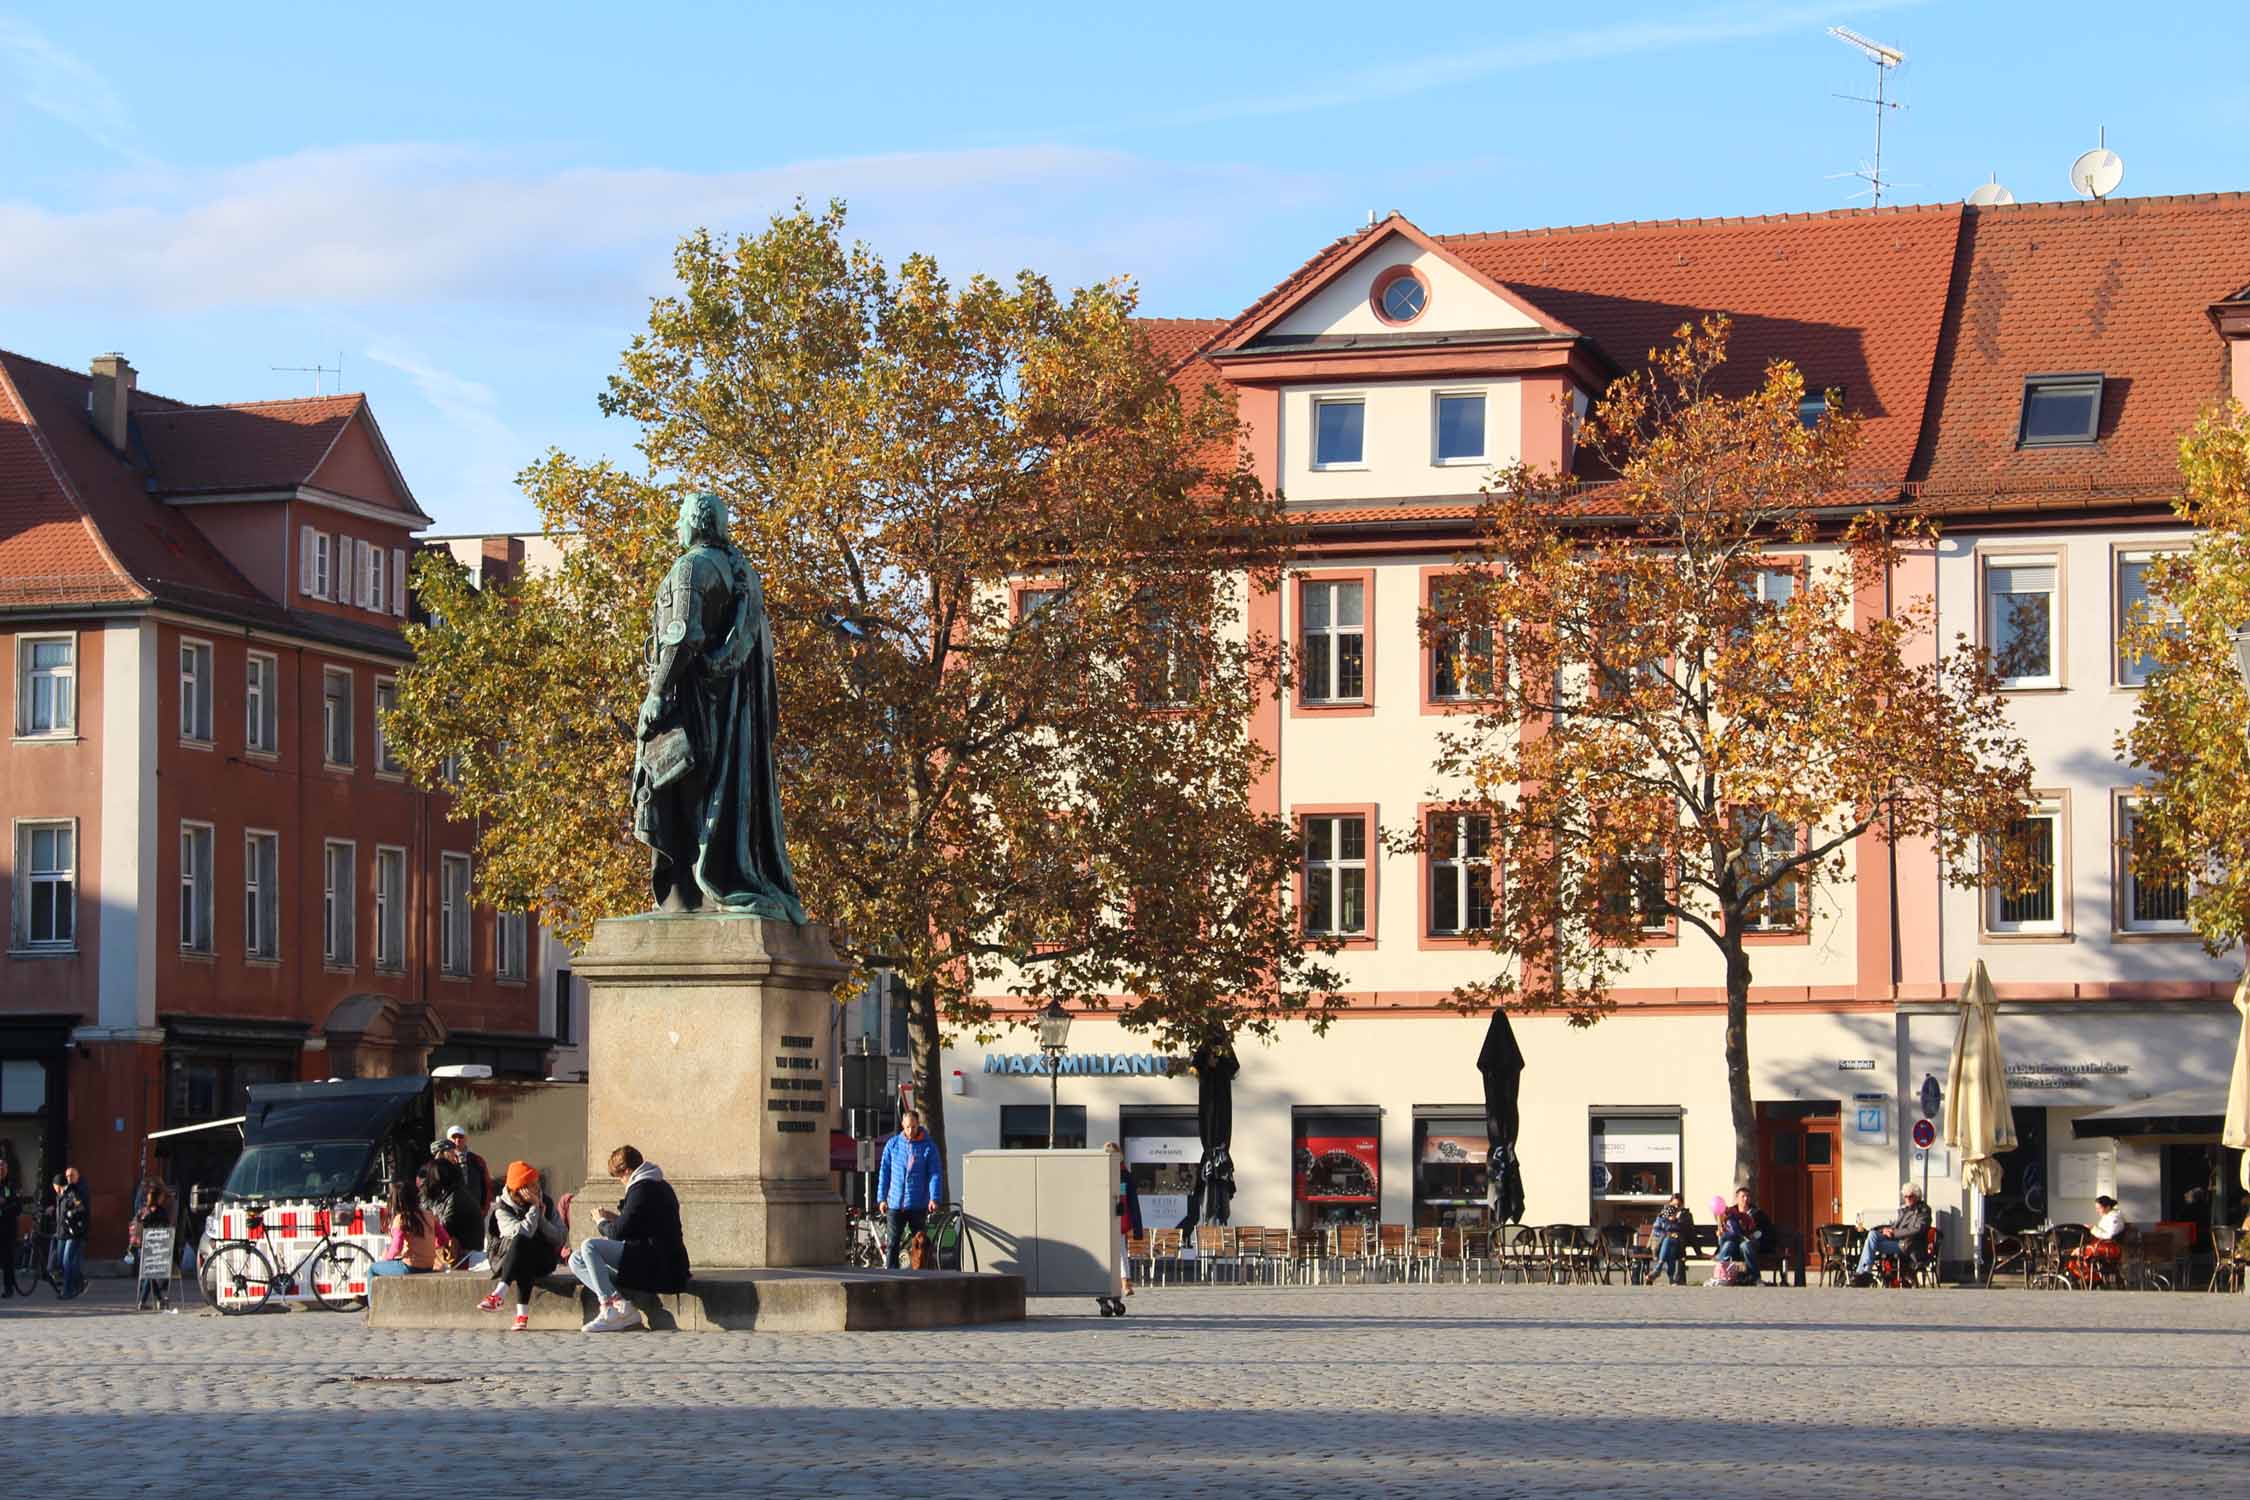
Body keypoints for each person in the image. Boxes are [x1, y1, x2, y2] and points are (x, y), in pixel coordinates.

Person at [568, 1145, 689, 1333]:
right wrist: (614, 1218)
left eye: (620, 1177)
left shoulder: (642, 1188)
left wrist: (600, 1221)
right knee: (575, 1259)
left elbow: (617, 1233)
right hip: (653, 1258)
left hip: (657, 1264)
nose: (622, 1182)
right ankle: (622, 1306)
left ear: (626, 1171)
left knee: (589, 1246)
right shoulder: (657, 1184)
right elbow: (641, 1225)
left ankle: (608, 1308)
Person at [479, 1162, 565, 1331]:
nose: (536, 1189)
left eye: (536, 1184)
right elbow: (523, 1233)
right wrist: (535, 1210)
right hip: (506, 1259)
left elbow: (560, 1238)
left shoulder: (545, 1201)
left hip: (542, 1260)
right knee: (521, 1241)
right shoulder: (502, 1208)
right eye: (530, 1186)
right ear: (518, 1190)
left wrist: (539, 1214)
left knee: (527, 1248)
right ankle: (521, 1316)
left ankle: (498, 1295)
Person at [876, 1110, 944, 1270]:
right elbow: (884, 1172)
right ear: (902, 1126)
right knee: (892, 1243)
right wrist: (882, 1198)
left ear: (918, 1125)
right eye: (907, 1127)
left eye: (913, 1127)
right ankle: (891, 1276)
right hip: (895, 1204)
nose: (910, 1131)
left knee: (921, 1244)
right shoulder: (892, 1144)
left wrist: (934, 1198)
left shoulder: (929, 1147)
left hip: (917, 1204)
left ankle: (921, 1274)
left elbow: (935, 1174)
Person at [1853, 1183, 1933, 1285]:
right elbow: (1895, 1225)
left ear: (1917, 1196)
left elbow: (1917, 1229)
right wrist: (1884, 1230)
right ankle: (1864, 1272)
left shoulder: (1923, 1211)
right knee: (1873, 1234)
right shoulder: (1905, 1210)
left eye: (1910, 1196)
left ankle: (1864, 1274)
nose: (1907, 1199)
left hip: (1909, 1245)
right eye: (1905, 1196)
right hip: (1898, 1241)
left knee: (1873, 1245)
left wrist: (1894, 1233)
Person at [370, 1177, 452, 1275]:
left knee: (373, 1269)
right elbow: (445, 1238)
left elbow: (396, 1247)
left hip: (409, 1267)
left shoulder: (401, 1219)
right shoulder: (429, 1215)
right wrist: (427, 1247)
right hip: (429, 1266)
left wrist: (386, 1259)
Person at [130, 1179, 176, 1308]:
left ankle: (157, 1300)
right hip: (157, 1246)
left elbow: (136, 1225)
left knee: (149, 1275)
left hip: (142, 1245)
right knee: (150, 1274)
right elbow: (166, 1228)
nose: (163, 1199)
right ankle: (145, 1302)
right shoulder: (160, 1211)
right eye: (161, 1197)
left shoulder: (143, 1211)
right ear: (157, 1198)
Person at [2066, 1195, 2128, 1285]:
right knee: (2076, 1251)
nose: (2097, 1211)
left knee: (2077, 1253)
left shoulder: (2114, 1218)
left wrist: (2093, 1229)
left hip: (2108, 1248)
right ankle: (2088, 1277)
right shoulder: (2109, 1216)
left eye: (2099, 1208)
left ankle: (2090, 1278)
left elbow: (2109, 1235)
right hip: (2103, 1245)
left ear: (2107, 1207)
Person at [1108, 1142, 1142, 1297]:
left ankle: (1125, 1282)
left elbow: (1133, 1202)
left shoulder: (1125, 1175)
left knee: (1121, 1251)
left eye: (1113, 1154)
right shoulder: (1101, 1171)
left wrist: (1137, 1227)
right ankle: (1119, 1282)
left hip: (1119, 1218)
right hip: (1103, 1219)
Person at [55, 1165, 89, 1298]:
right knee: (64, 1262)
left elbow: (81, 1208)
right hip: (65, 1232)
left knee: (67, 1261)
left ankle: (68, 1290)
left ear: (77, 1176)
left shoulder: (77, 1190)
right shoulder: (65, 1192)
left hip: (75, 1232)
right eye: (67, 1176)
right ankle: (78, 1284)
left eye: (72, 1175)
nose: (69, 1178)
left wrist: (71, 1213)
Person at [446, 1126, 494, 1218]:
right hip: (453, 1214)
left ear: (465, 1139)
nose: (457, 1140)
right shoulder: (445, 1162)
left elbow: (487, 1186)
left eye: (460, 1137)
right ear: (448, 1140)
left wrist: (484, 1210)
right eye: (454, 1137)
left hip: (476, 1213)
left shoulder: (477, 1160)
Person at [1648, 1194, 1693, 1286]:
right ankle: (1671, 1278)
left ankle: (1658, 1268)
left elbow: (1688, 1232)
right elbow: (1656, 1230)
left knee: (1670, 1243)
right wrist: (1667, 1232)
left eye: (1679, 1205)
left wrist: (1678, 1220)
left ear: (1682, 1205)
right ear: (1670, 1203)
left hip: (1679, 1245)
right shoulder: (1663, 1214)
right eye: (1674, 1205)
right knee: (1669, 1242)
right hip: (1660, 1244)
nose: (1676, 1207)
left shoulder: (1685, 1216)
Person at [0, 1158, 21, 1298]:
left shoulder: (12, 1185)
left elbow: (18, 1207)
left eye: (3, 1168)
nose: (1, 1171)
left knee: (8, 1260)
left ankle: (9, 1289)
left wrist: (5, 1202)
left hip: (8, 1228)